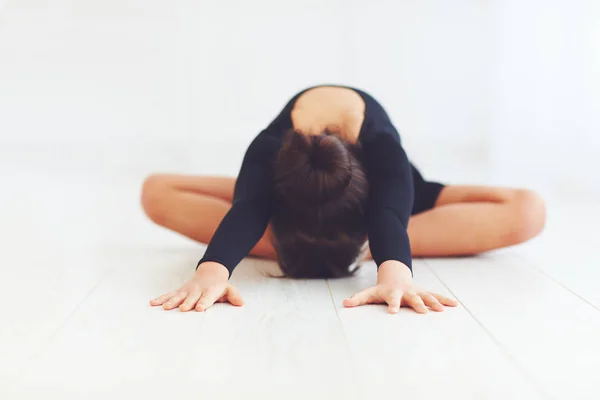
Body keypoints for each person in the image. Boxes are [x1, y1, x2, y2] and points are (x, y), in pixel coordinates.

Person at [142, 85, 546, 314]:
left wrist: (394, 269)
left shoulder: (388, 161)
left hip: (371, 218)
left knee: (530, 211)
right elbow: (246, 207)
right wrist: (213, 270)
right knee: (155, 191)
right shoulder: (269, 157)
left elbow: (390, 214)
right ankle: (333, 241)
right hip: (289, 203)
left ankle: (355, 246)